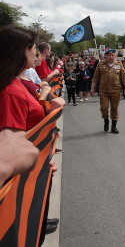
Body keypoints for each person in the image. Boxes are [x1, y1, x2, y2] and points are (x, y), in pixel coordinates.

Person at [0, 25, 64, 238]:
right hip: (23, 175)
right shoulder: (11, 91)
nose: (36, 54)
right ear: (22, 51)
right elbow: (11, 145)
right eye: (33, 48)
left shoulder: (17, 83)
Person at [90, 49, 125, 134]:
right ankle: (106, 120)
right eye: (109, 55)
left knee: (115, 108)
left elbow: (124, 77)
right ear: (106, 56)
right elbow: (95, 77)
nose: (111, 57)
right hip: (104, 91)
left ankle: (114, 126)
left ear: (115, 56)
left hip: (115, 90)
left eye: (113, 55)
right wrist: (92, 88)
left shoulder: (119, 64)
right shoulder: (100, 65)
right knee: (104, 107)